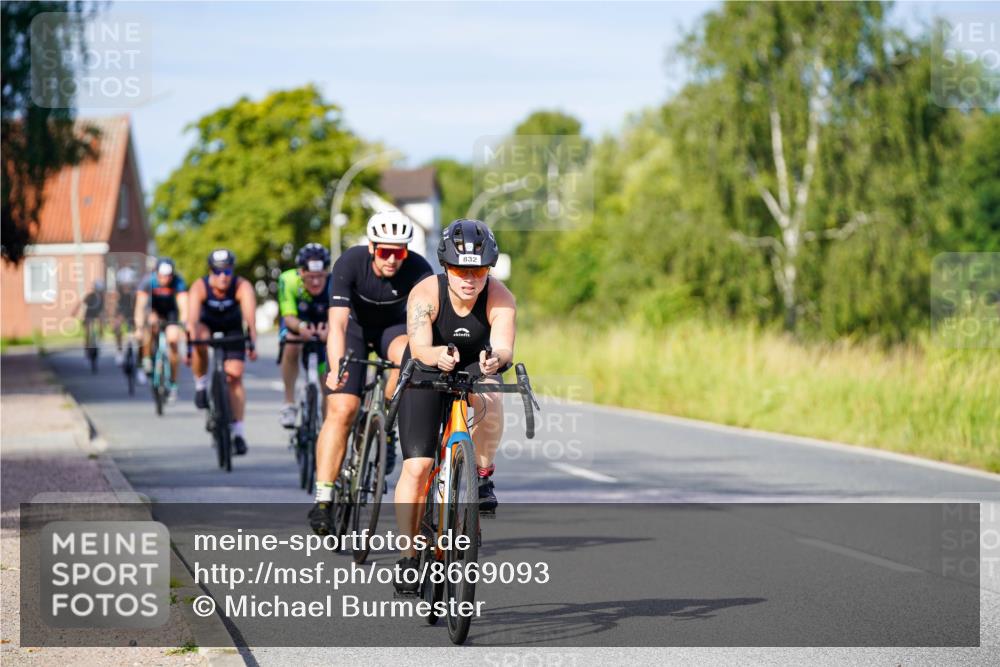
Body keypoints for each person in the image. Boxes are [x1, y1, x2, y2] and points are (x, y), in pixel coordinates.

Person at [392, 219, 516, 592]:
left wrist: (497, 359)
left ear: (488, 270)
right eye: (461, 269)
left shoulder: (500, 296)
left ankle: (482, 475)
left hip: (475, 366)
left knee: (491, 388)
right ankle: (410, 555)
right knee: (418, 467)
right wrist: (436, 355)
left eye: (478, 270)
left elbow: (505, 345)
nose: (470, 278)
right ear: (446, 267)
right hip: (428, 366)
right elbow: (419, 347)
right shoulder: (426, 293)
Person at [308, 210, 433, 535]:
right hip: (355, 331)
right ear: (372, 247)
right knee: (342, 408)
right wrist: (335, 368)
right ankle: (324, 498)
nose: (392, 259)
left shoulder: (420, 270)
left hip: (394, 331)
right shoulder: (350, 263)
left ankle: (385, 427)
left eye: (399, 251)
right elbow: (336, 325)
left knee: (408, 355)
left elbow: (424, 330)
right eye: (384, 251)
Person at [186, 249, 258, 455]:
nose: (223, 277)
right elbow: (191, 322)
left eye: (227, 272)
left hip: (233, 327)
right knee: (199, 337)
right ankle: (201, 384)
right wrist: (190, 349)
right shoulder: (199, 287)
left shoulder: (241, 286)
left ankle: (238, 432)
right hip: (207, 325)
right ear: (210, 272)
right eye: (218, 272)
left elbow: (250, 320)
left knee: (235, 375)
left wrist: (252, 343)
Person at [277, 243, 332, 427]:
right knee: (291, 344)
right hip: (297, 322)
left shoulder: (335, 282)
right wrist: (301, 328)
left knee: (327, 380)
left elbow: (340, 316)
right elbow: (288, 316)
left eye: (320, 276)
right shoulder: (288, 280)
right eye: (310, 277)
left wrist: (331, 330)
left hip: (325, 323)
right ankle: (289, 403)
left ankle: (326, 428)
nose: (315, 282)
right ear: (301, 272)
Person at [134, 259, 188, 396]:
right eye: (162, 275)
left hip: (171, 312)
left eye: (169, 275)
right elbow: (140, 306)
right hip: (153, 309)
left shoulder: (178, 282)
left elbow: (184, 305)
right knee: (150, 325)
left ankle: (173, 382)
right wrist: (139, 327)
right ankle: (147, 358)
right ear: (156, 273)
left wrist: (183, 325)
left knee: (173, 340)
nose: (166, 279)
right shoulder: (148, 281)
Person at [112, 266, 139, 365]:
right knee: (117, 326)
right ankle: (119, 351)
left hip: (134, 311)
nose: (126, 287)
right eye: (124, 285)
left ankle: (142, 359)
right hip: (123, 310)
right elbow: (115, 307)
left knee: (140, 332)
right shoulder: (118, 293)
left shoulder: (137, 292)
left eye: (128, 285)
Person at [75, 279, 106, 345]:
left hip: (98, 314)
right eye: (98, 290)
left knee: (101, 317)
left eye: (100, 291)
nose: (99, 292)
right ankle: (87, 342)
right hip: (89, 314)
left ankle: (101, 332)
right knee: (87, 329)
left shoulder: (103, 298)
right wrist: (75, 311)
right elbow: (81, 303)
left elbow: (106, 308)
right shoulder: (90, 296)